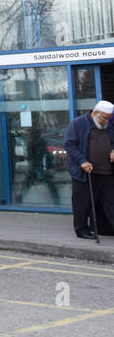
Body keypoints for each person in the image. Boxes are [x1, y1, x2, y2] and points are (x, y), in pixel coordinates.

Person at [62, 99, 114, 242]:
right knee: (82, 203)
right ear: (96, 112)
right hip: (86, 173)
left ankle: (105, 228)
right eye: (104, 118)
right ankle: (82, 229)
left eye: (109, 118)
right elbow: (69, 145)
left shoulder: (109, 125)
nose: (106, 121)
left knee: (110, 201)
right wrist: (82, 161)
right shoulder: (78, 123)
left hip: (107, 173)